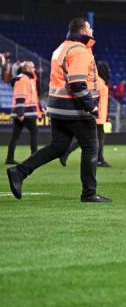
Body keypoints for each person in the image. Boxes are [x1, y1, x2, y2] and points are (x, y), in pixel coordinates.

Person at [6, 17, 111, 202]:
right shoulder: (80, 51)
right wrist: (92, 106)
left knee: (58, 146)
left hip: (58, 108)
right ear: (83, 32)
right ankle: (89, 193)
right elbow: (77, 84)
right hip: (75, 109)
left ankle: (19, 171)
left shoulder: (61, 48)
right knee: (91, 147)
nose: (93, 31)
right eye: (90, 29)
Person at [61, 61, 112, 168]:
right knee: (97, 139)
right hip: (96, 116)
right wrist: (99, 115)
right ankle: (99, 160)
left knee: (85, 139)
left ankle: (66, 152)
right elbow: (97, 100)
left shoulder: (98, 81)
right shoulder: (99, 82)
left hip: (96, 115)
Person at [5, 61, 40, 165]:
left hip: (25, 111)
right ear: (28, 69)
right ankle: (34, 157)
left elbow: (33, 97)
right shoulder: (23, 79)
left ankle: (9, 158)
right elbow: (20, 96)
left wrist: (39, 110)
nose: (35, 69)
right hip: (26, 112)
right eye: (33, 67)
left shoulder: (27, 79)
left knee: (15, 136)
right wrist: (20, 113)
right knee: (34, 132)